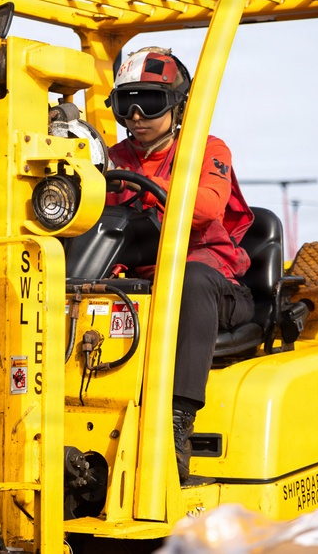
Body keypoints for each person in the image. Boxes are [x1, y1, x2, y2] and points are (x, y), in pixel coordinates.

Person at [104, 46, 255, 484]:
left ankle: (177, 424)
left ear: (178, 105)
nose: (135, 115)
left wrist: (144, 186)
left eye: (149, 102)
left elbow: (206, 206)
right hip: (142, 284)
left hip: (217, 289)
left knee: (186, 280)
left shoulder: (207, 149)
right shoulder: (113, 158)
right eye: (126, 103)